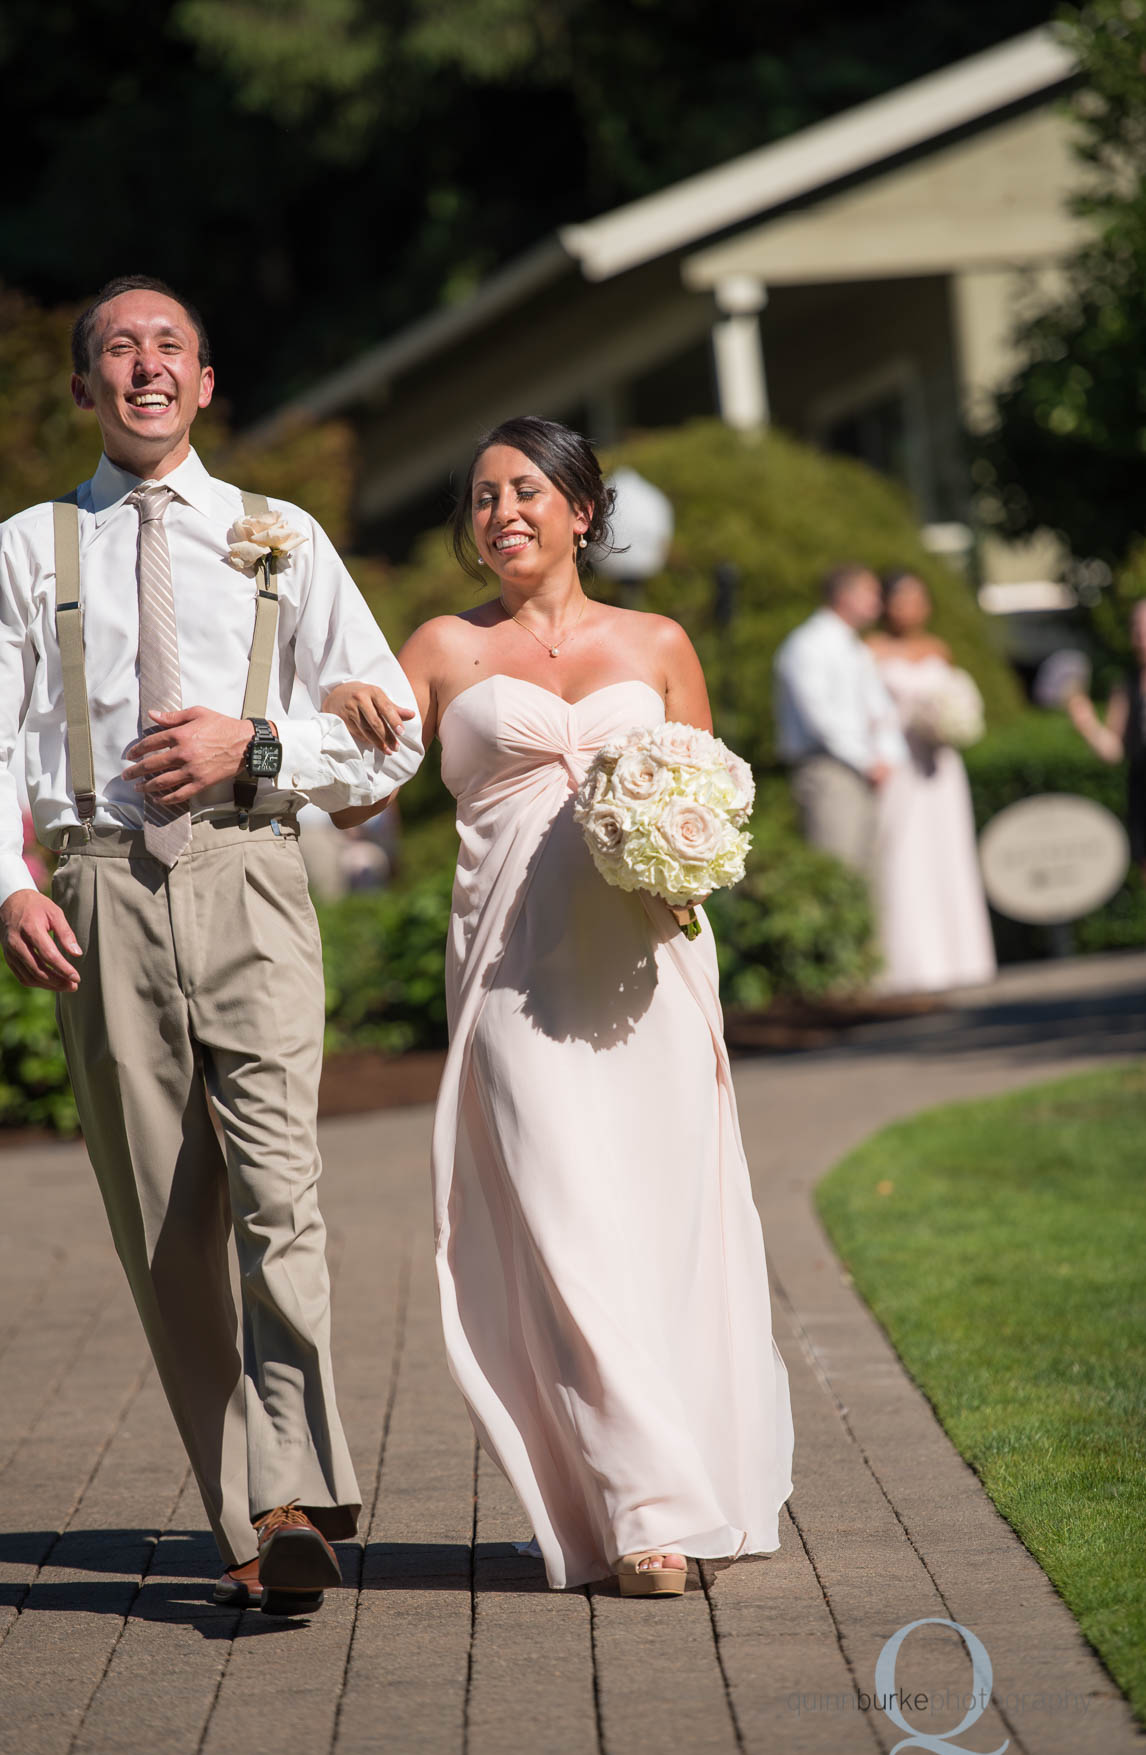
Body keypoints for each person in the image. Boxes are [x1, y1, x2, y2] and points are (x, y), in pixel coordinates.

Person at [0, 275, 424, 1616]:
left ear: (206, 383)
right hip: (95, 886)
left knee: (282, 1192)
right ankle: (252, 1522)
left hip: (254, 870)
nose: (145, 366)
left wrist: (255, 743)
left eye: (170, 347)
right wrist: (6, 887)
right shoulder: (24, 552)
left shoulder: (282, 538)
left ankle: (302, 1485)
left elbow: (397, 732)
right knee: (168, 1223)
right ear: (84, 387)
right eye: (117, 349)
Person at [328, 416, 793, 1597]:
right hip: (508, 985)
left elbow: (712, 804)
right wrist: (345, 711)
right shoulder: (438, 646)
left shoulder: (657, 641)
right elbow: (347, 807)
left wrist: (684, 866)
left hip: (649, 983)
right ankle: (644, 1512)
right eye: (481, 498)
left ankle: (671, 1477)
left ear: (582, 511)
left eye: (525, 490)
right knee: (564, 1223)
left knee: (657, 1230)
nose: (502, 515)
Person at [867, 572, 996, 993]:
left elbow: (956, 698)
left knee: (948, 853)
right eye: (902, 599)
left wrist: (949, 723)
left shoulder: (939, 648)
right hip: (899, 768)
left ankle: (962, 957)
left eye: (918, 599)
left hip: (940, 771)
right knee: (904, 856)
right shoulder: (871, 649)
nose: (910, 608)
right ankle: (909, 964)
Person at [772, 565, 908, 880]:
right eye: (870, 593)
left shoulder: (854, 646)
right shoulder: (809, 644)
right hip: (829, 769)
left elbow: (879, 708)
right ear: (844, 595)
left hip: (864, 771)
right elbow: (820, 716)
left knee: (867, 873)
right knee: (839, 872)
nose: (878, 602)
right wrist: (866, 760)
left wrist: (889, 756)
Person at [1065, 598, 1146, 875]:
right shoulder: (1126, 686)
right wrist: (1086, 722)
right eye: (1137, 627)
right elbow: (1113, 751)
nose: (1141, 636)